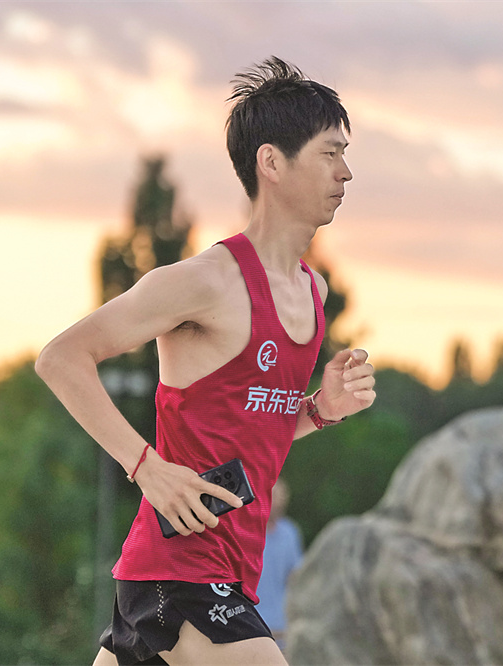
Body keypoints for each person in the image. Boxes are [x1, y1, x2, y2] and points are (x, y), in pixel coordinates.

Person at [36, 56, 376, 666]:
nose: (345, 172)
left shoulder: (312, 293)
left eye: (345, 155)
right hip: (182, 572)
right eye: (329, 154)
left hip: (214, 572)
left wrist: (321, 410)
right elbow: (62, 358)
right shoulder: (204, 282)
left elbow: (252, 431)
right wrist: (145, 466)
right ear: (272, 162)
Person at [254, 479, 303, 647]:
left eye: (282, 496)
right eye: (274, 495)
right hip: (251, 624)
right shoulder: (246, 533)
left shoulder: (290, 532)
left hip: (282, 627)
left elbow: (295, 579)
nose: (279, 501)